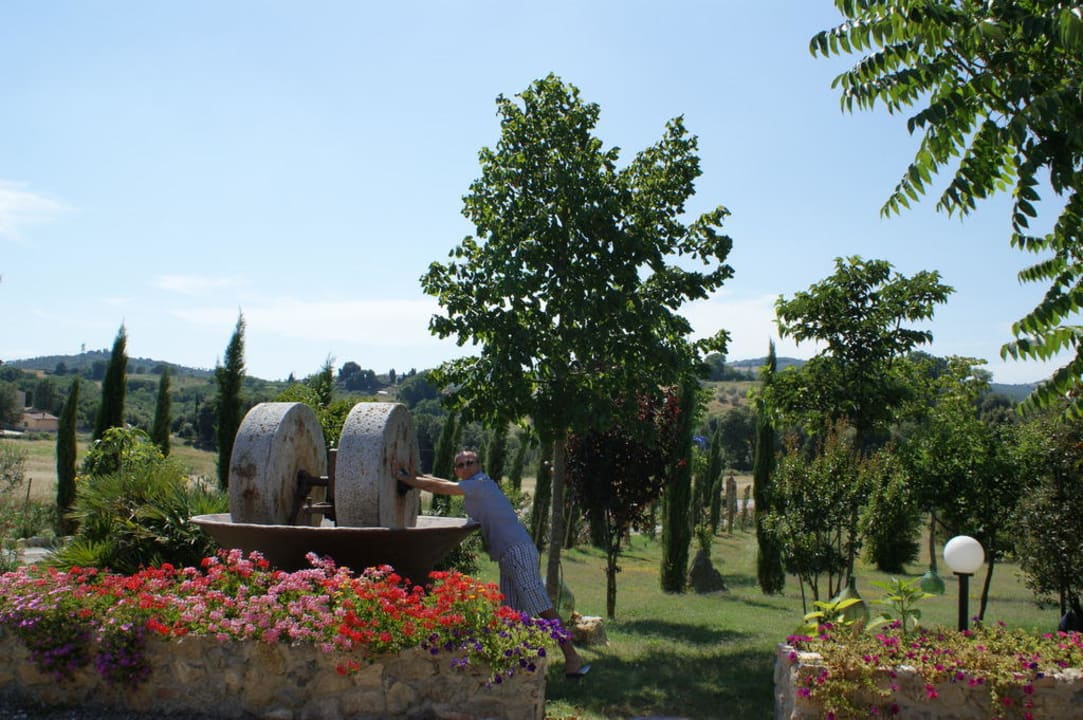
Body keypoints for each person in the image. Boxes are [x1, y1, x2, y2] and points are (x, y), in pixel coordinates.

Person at [395, 449, 591, 678]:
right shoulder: (472, 485)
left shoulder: (480, 484)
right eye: (461, 464)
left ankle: (572, 658)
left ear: (479, 466)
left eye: (471, 462)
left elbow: (445, 488)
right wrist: (417, 476)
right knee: (510, 613)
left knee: (540, 605)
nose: (466, 466)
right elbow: (443, 482)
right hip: (508, 555)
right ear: (457, 470)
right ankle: (514, 665)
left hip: (517, 551)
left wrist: (406, 479)